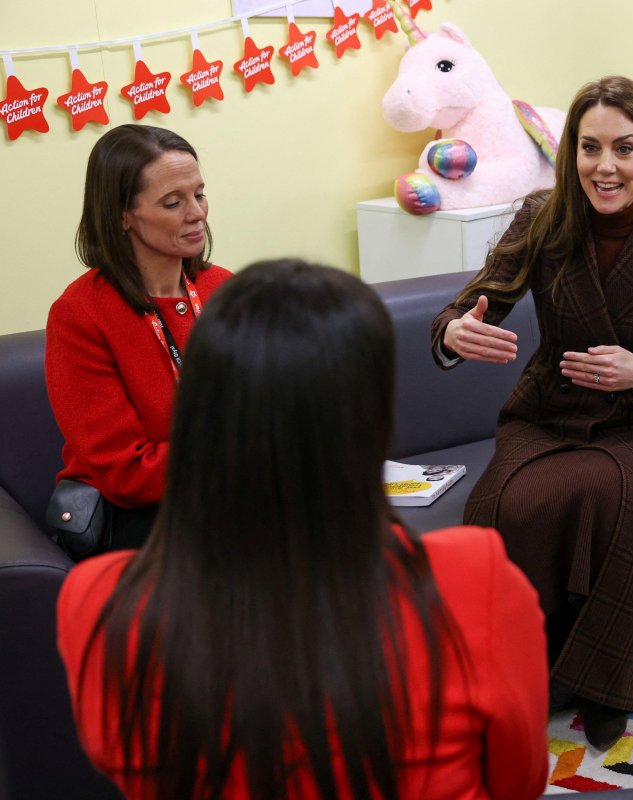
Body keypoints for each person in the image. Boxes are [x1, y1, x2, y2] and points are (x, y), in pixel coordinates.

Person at [56, 260, 549, 799]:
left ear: (200, 414)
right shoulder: (475, 580)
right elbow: (518, 781)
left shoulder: (95, 603)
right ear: (370, 421)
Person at [431, 75, 633, 750]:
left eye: (623, 148)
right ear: (572, 154)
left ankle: (602, 685)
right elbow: (471, 303)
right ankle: (615, 668)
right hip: (545, 415)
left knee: (604, 494)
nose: (605, 166)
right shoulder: (542, 216)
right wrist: (452, 332)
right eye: (590, 148)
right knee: (497, 513)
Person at [45, 124, 233, 551]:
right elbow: (125, 474)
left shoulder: (223, 289)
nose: (197, 212)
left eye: (199, 194)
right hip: (143, 517)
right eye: (173, 202)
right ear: (121, 216)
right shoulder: (79, 315)